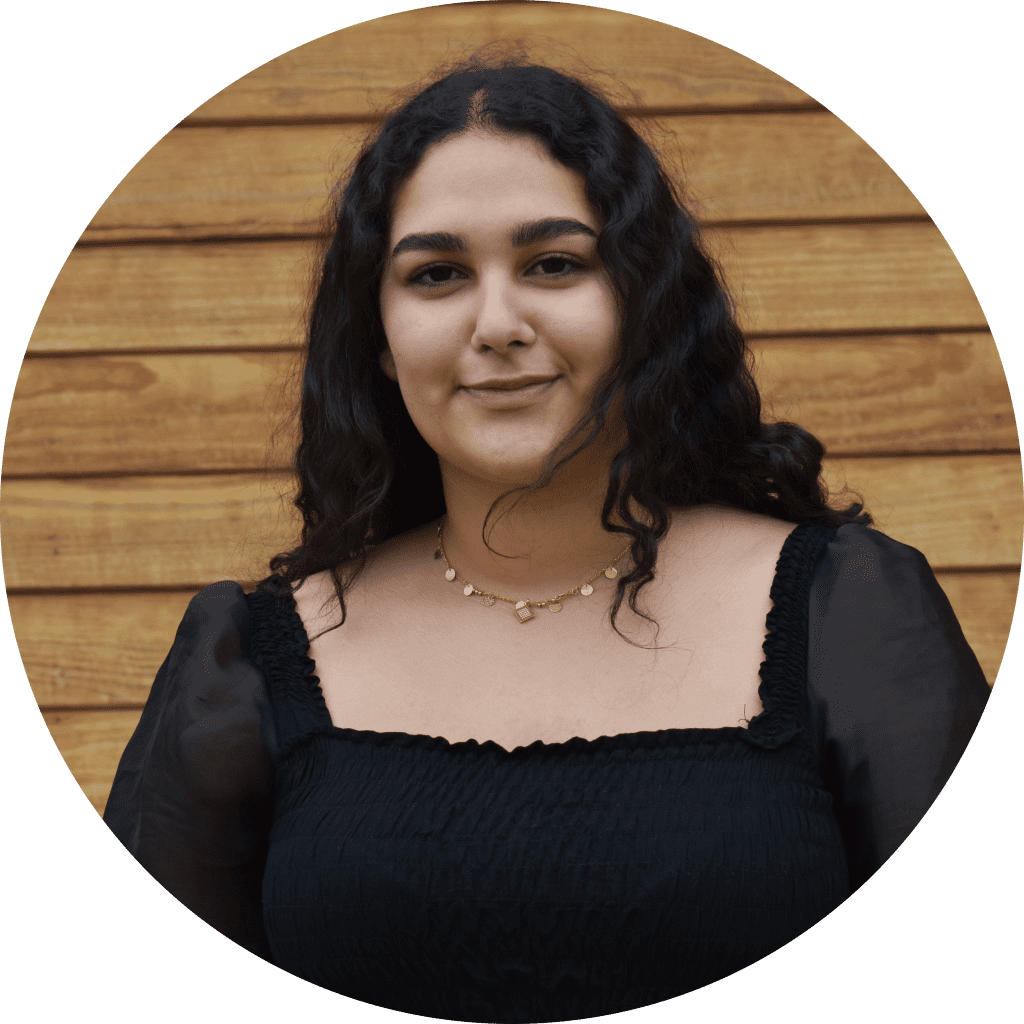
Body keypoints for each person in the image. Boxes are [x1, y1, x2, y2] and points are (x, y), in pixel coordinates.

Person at [103, 59, 989, 1022]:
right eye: (437, 274)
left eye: (554, 264)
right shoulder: (248, 662)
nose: (497, 324)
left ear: (647, 301)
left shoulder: (846, 615)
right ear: (379, 338)